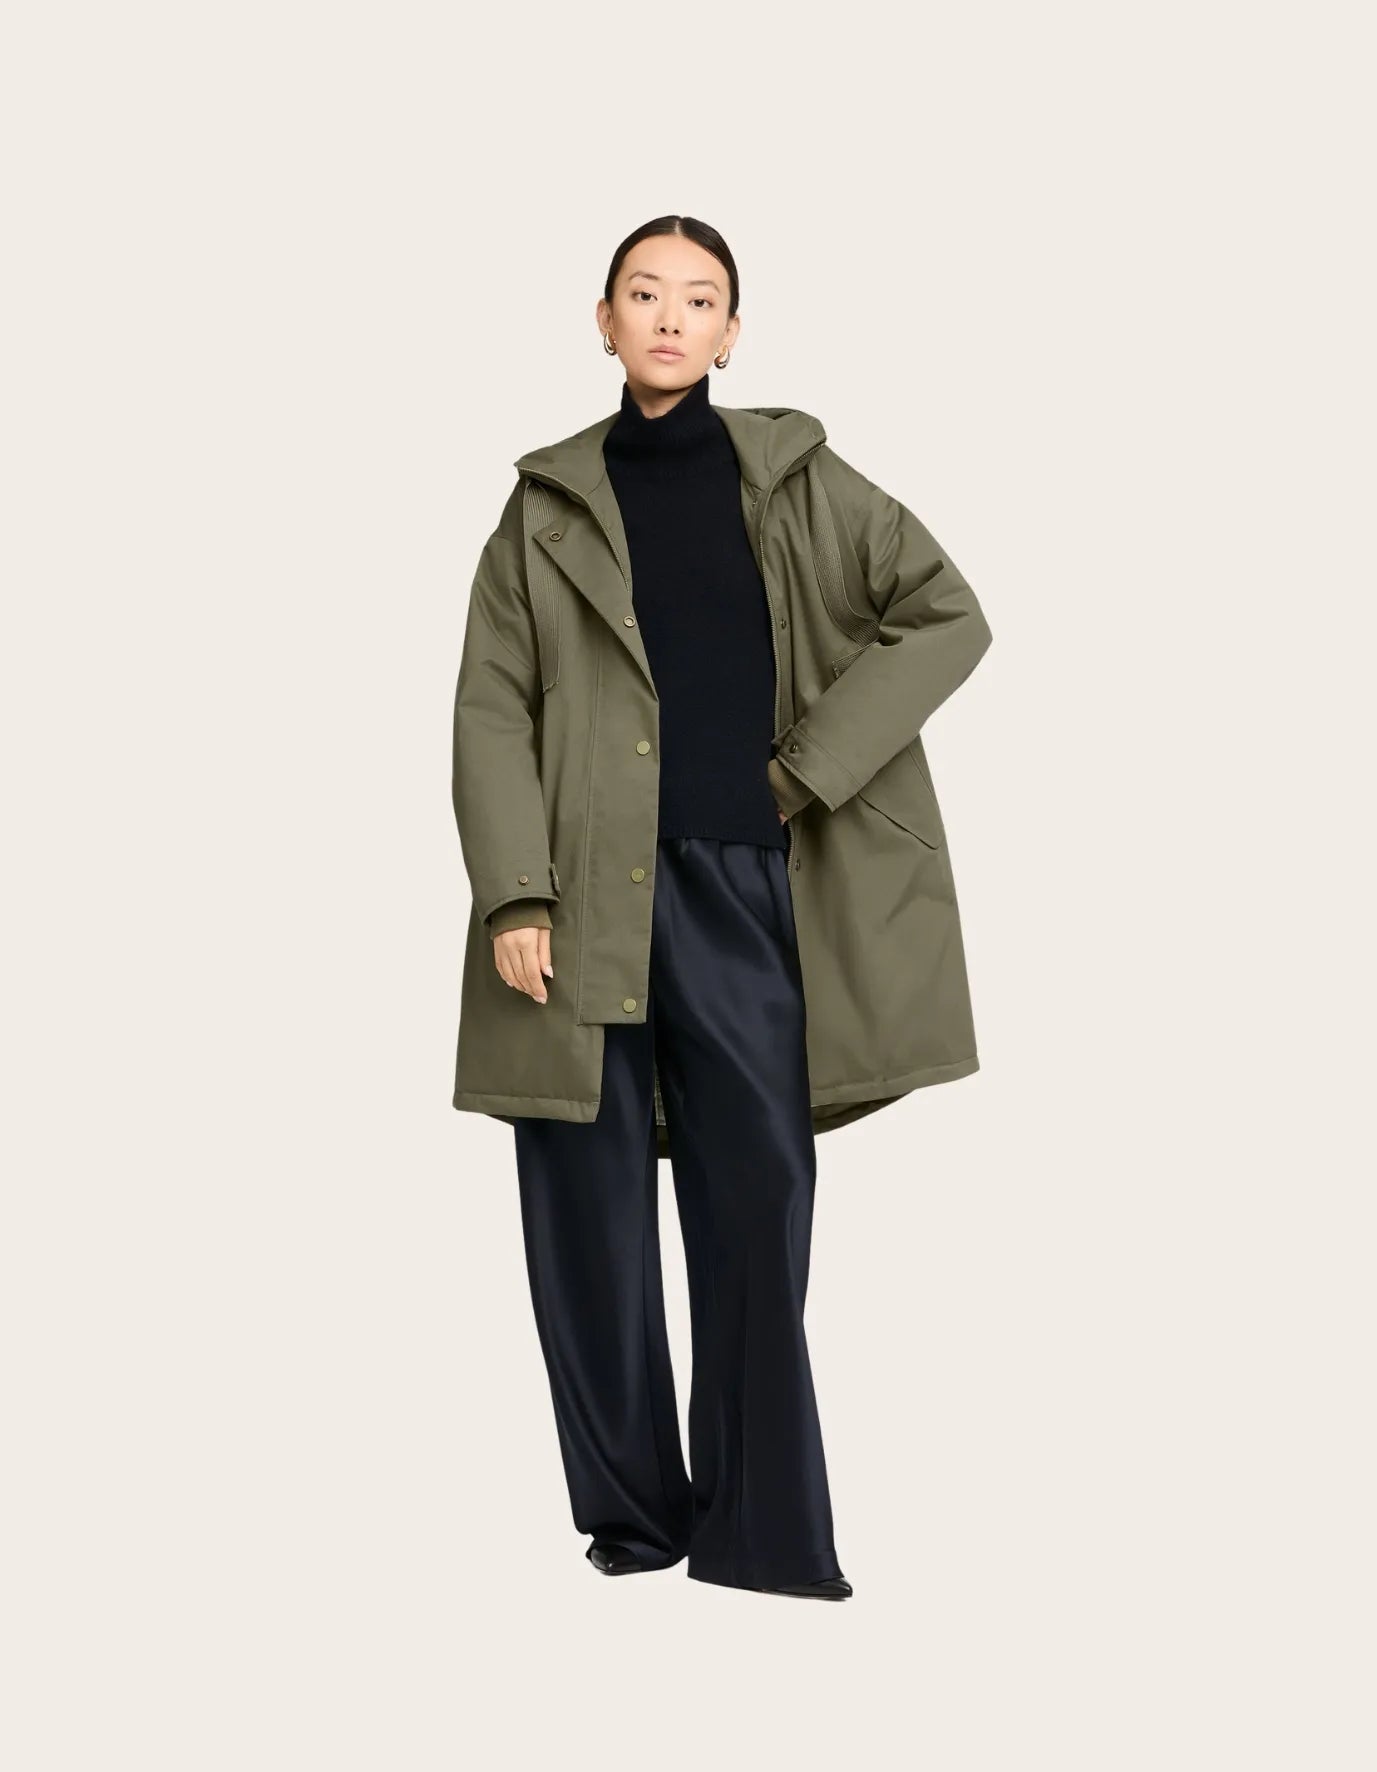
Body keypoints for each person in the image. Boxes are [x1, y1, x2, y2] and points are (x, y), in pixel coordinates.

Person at [451, 214, 993, 1601]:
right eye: (645, 294)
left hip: (745, 890)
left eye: (699, 300)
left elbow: (945, 612)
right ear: (603, 319)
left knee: (757, 1203)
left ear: (732, 333)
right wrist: (514, 893)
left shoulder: (801, 481)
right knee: (585, 1218)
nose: (670, 318)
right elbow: (491, 708)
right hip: (575, 901)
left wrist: (805, 771)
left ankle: (759, 1531)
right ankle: (634, 1515)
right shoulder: (541, 508)